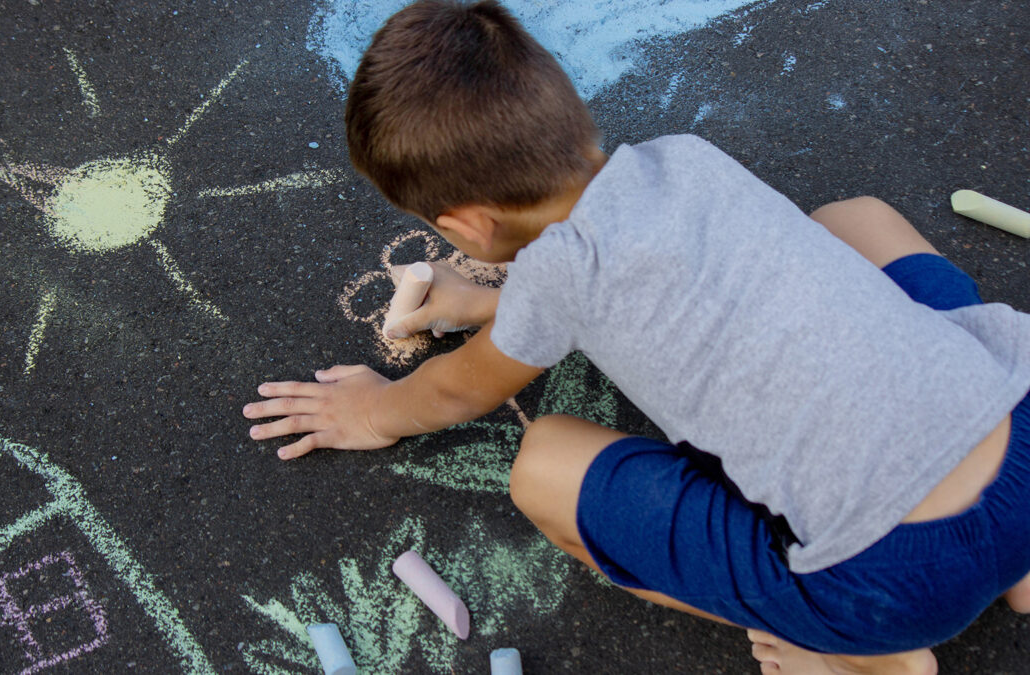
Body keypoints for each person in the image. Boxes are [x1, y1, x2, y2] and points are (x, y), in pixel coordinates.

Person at [242, 1, 1030, 672]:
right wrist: (499, 297)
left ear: (464, 226)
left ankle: (860, 654)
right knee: (854, 221)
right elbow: (665, 273)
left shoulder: (559, 277)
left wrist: (372, 413)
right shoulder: (685, 159)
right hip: (1016, 437)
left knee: (544, 467)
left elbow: (454, 389)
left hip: (892, 580)